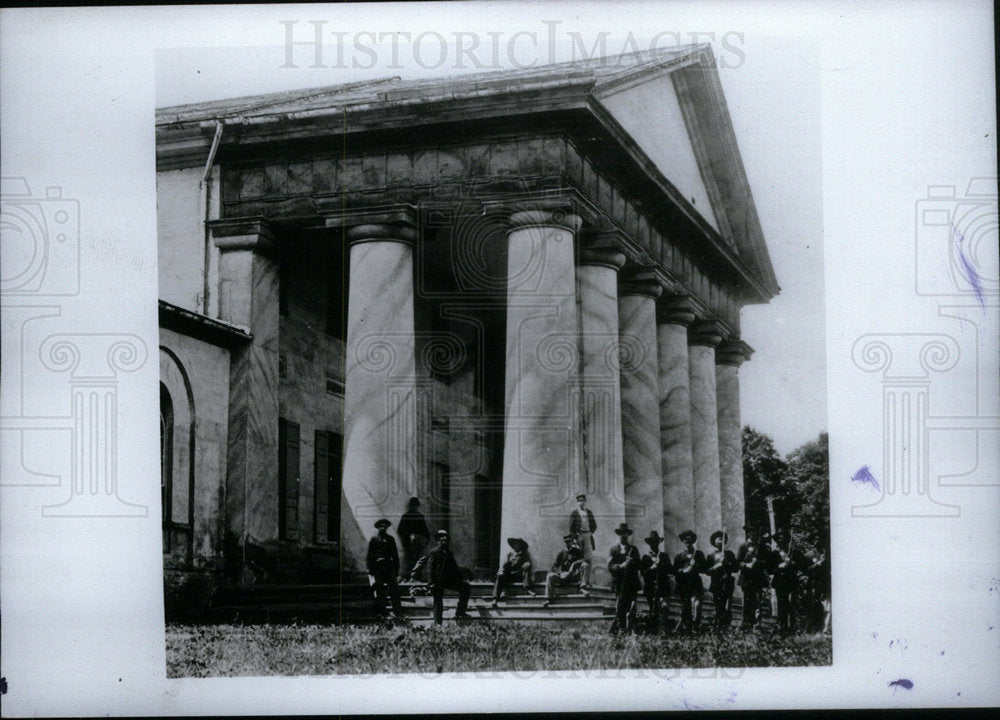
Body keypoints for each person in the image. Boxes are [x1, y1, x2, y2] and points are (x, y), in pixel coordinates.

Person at [414, 529, 471, 625]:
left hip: (449, 580)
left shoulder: (449, 553)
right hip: (437, 581)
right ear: (438, 541)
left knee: (465, 588)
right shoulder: (434, 552)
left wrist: (462, 578)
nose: (443, 541)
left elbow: (455, 569)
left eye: (445, 539)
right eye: (441, 539)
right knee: (438, 601)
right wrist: (431, 583)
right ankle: (438, 623)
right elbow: (430, 569)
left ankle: (460, 611)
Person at [366, 518, 405, 620]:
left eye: (385, 526)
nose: (383, 528)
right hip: (378, 567)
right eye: (381, 526)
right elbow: (370, 556)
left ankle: (398, 611)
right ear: (378, 527)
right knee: (379, 588)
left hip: (388, 566)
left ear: (387, 527)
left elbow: (395, 555)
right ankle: (380, 612)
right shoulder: (374, 540)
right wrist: (370, 570)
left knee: (394, 588)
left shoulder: (390, 539)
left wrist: (397, 570)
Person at [607, 523, 641, 634]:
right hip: (619, 583)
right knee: (620, 606)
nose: (623, 536)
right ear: (618, 535)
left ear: (628, 535)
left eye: (625, 534)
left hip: (631, 583)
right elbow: (610, 566)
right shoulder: (613, 550)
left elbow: (639, 564)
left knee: (632, 607)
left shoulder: (633, 549)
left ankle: (632, 628)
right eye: (621, 534)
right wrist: (621, 566)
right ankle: (621, 628)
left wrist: (632, 562)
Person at [769, 529, 804, 634]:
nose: (781, 539)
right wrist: (778, 566)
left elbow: (802, 563)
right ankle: (782, 626)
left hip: (791, 581)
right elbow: (769, 567)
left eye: (783, 537)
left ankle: (792, 626)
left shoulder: (793, 551)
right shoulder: (774, 553)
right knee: (781, 604)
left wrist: (791, 563)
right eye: (779, 538)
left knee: (792, 604)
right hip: (779, 581)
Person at [673, 529, 706, 633]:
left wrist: (697, 565)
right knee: (686, 607)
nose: (688, 539)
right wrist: (685, 570)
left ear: (693, 540)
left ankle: (696, 626)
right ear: (683, 540)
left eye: (690, 537)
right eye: (685, 538)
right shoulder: (679, 555)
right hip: (684, 584)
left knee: (697, 605)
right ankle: (687, 629)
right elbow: (675, 571)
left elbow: (704, 568)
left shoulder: (698, 553)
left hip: (695, 582)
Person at [639, 531, 673, 633]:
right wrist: (652, 568)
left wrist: (661, 566)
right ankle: (653, 630)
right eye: (652, 542)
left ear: (659, 543)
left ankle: (664, 628)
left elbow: (671, 570)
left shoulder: (663, 556)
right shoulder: (645, 557)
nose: (654, 544)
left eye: (656, 541)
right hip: (650, 587)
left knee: (664, 606)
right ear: (649, 544)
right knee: (653, 609)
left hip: (663, 586)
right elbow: (642, 573)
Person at [543, 534, 590, 607]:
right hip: (564, 577)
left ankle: (582, 588)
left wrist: (574, 564)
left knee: (585, 565)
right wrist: (560, 573)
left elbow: (583, 559)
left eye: (570, 541)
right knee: (550, 576)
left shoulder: (577, 551)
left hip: (573, 575)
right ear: (564, 542)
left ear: (572, 542)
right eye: (566, 542)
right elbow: (554, 566)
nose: (568, 543)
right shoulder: (561, 552)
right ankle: (549, 599)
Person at [736, 529, 768, 631]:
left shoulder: (761, 547)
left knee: (758, 602)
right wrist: (746, 565)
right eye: (752, 533)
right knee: (746, 602)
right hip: (746, 578)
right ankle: (746, 625)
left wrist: (758, 562)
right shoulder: (743, 546)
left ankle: (757, 626)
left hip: (758, 579)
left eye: (756, 533)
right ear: (748, 533)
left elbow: (766, 562)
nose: (754, 535)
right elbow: (737, 562)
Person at [705, 530, 737, 630]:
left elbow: (735, 568)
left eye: (723, 539)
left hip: (727, 583)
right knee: (718, 605)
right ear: (714, 542)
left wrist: (726, 562)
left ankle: (727, 625)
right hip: (716, 584)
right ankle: (718, 625)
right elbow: (707, 571)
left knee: (727, 605)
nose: (721, 541)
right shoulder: (710, 556)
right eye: (718, 539)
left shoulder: (729, 554)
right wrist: (716, 566)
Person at [490, 537, 535, 607]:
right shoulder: (509, 555)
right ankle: (495, 599)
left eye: (517, 544)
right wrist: (501, 571)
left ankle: (527, 588)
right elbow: (503, 566)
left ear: (520, 546)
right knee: (500, 575)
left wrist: (526, 564)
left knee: (526, 570)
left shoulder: (524, 555)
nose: (515, 546)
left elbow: (528, 563)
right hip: (509, 575)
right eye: (514, 545)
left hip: (519, 575)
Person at [397, 496, 430, 582]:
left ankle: (419, 576)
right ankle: (408, 577)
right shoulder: (406, 516)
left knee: (421, 559)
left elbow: (425, 530)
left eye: (416, 505)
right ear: (410, 506)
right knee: (410, 559)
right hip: (409, 543)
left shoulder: (420, 516)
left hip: (420, 542)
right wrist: (409, 535)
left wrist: (426, 539)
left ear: (418, 506)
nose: (414, 507)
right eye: (413, 505)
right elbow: (400, 530)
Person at [568, 493, 597, 588]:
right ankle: (581, 581)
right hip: (579, 535)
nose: (581, 502)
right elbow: (571, 527)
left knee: (589, 558)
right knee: (581, 558)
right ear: (577, 502)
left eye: (583, 501)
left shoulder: (589, 512)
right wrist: (576, 536)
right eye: (579, 501)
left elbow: (594, 525)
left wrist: (589, 533)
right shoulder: (574, 513)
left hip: (587, 534)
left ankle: (588, 581)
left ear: (585, 502)